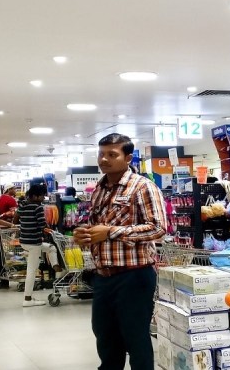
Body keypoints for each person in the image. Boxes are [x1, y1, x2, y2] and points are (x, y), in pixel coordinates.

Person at [73, 133, 167, 370]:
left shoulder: (143, 186)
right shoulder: (99, 189)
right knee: (105, 336)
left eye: (112, 154)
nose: (104, 159)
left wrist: (111, 232)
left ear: (128, 158)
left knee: (136, 337)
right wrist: (83, 233)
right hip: (103, 276)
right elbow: (96, 225)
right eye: (101, 154)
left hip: (134, 275)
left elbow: (158, 228)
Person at [15, 181, 63, 307]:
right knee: (31, 270)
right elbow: (42, 225)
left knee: (51, 248)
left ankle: (56, 267)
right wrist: (50, 230)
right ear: (35, 196)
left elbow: (16, 219)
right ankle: (27, 299)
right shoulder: (38, 207)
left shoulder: (22, 205)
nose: (43, 198)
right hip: (34, 243)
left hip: (24, 241)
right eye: (41, 196)